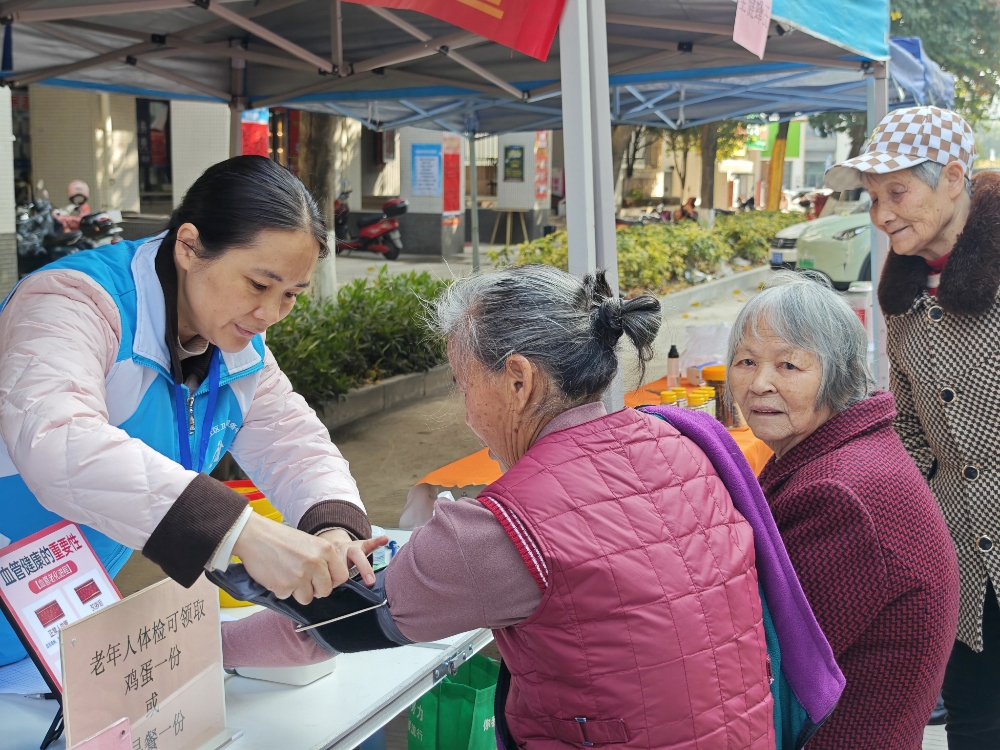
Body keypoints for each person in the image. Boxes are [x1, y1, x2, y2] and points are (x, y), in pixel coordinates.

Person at [224, 265, 778, 749]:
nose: (466, 414)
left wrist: (204, 626)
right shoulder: (687, 444)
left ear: (518, 380)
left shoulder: (500, 531)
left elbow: (333, 623)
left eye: (464, 386)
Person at [0, 155, 384, 666]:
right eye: (257, 285)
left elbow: (295, 444)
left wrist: (333, 531)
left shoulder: (237, 342)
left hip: (52, 612)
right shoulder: (71, 302)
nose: (270, 314)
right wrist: (241, 531)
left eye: (291, 295)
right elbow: (58, 444)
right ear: (188, 246)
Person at [825, 105, 1000, 749]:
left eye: (896, 192)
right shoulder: (904, 297)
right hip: (962, 556)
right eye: (874, 198)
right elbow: (914, 433)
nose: (880, 215)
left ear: (953, 178)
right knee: (977, 720)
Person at [726, 273, 960, 749]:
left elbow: (768, 659)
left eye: (788, 365)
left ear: (838, 373)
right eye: (746, 361)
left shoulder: (838, 493)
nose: (759, 383)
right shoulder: (850, 447)